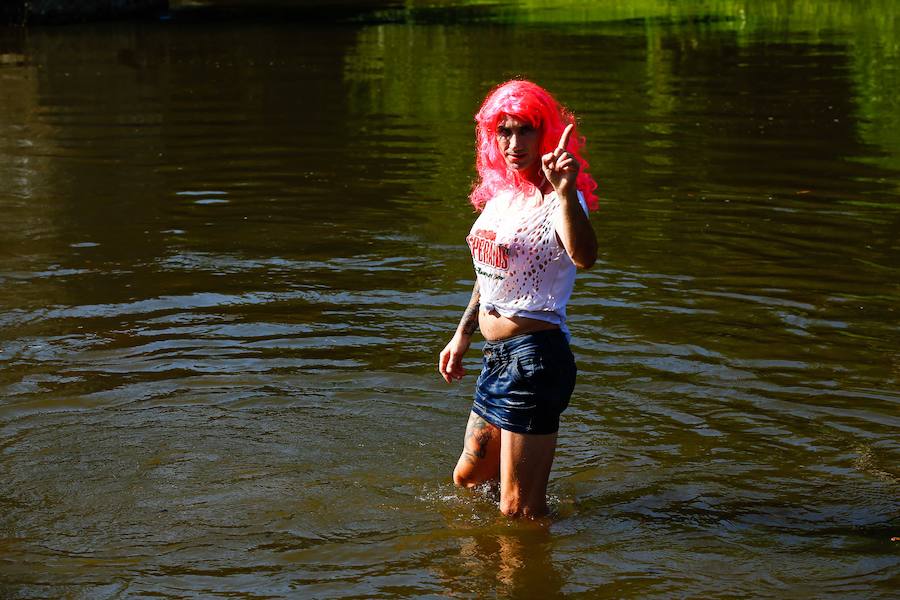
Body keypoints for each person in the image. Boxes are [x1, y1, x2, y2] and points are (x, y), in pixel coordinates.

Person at [438, 79, 599, 518]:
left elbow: (584, 257)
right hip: (497, 356)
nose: (513, 142)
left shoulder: (561, 199)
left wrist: (565, 191)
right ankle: (496, 565)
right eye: (503, 131)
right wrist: (462, 335)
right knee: (469, 480)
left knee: (520, 510)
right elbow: (488, 274)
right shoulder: (502, 196)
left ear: (544, 132)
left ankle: (527, 571)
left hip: (535, 359)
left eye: (525, 130)